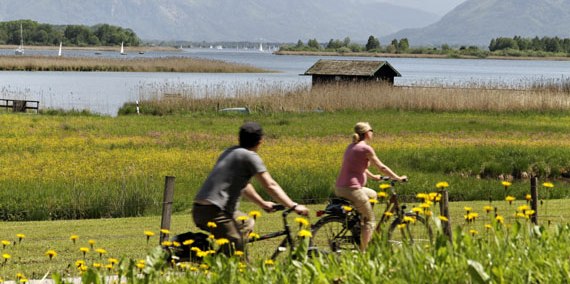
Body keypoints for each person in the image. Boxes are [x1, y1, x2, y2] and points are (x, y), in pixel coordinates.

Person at [192, 122, 309, 255]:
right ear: (260, 141)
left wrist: (262, 203)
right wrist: (293, 206)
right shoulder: (249, 156)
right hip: (215, 211)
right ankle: (230, 266)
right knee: (238, 246)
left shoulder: (230, 152)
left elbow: (245, 185)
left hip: (201, 209)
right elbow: (270, 185)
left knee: (246, 222)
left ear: (239, 138)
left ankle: (222, 257)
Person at [335, 122, 407, 251]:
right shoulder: (365, 148)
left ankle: (359, 226)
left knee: (373, 194)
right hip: (352, 189)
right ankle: (364, 252)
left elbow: (357, 167)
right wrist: (397, 178)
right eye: (372, 130)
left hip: (341, 187)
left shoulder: (351, 146)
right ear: (367, 133)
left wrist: (373, 177)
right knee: (370, 220)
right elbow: (382, 167)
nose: (373, 133)